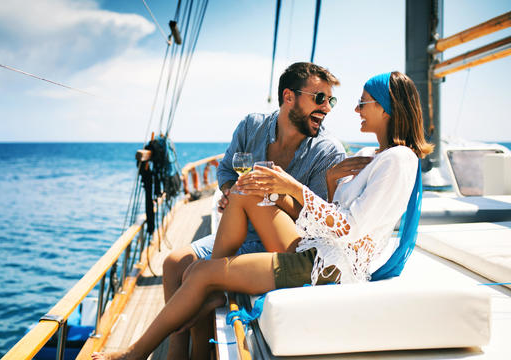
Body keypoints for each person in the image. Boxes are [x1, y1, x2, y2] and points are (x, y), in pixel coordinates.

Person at [92, 71, 433, 360]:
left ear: (386, 108)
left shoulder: (400, 159)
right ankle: (212, 284)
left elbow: (350, 227)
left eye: (363, 102)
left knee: (198, 273)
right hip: (316, 246)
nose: (354, 109)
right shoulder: (372, 154)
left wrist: (292, 187)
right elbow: (331, 214)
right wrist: (326, 182)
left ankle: (133, 355)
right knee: (248, 187)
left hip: (329, 267)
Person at [162, 62, 348, 359]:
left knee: (195, 278)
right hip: (240, 231)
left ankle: (196, 343)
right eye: (319, 98)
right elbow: (226, 171)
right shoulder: (252, 125)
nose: (327, 108)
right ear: (289, 96)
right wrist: (229, 194)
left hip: (278, 242)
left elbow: (316, 220)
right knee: (174, 263)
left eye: (331, 100)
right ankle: (176, 350)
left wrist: (273, 194)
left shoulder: (328, 151)